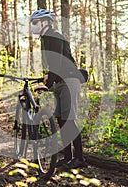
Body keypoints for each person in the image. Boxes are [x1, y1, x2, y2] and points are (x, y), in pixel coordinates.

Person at [30, 9, 86, 169]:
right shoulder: (46, 39)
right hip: (60, 82)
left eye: (35, 23)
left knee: (69, 120)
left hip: (69, 80)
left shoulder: (54, 36)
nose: (33, 26)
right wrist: (49, 77)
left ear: (45, 22)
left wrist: (46, 84)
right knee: (62, 120)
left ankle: (80, 159)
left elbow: (59, 62)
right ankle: (68, 157)